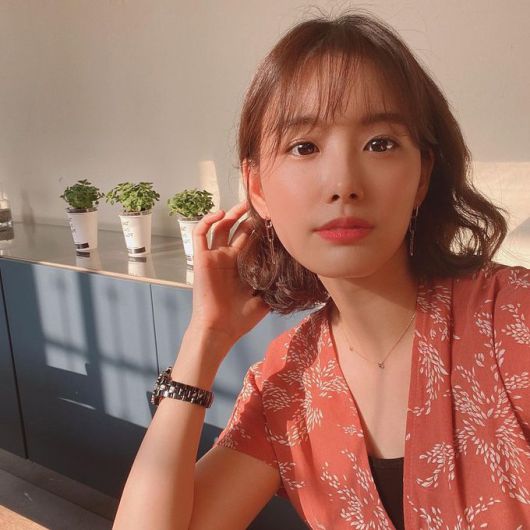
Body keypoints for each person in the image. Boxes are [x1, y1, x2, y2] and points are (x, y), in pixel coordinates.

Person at [113, 12, 530, 530]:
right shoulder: (287, 384)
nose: (343, 183)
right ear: (257, 188)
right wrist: (205, 337)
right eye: (304, 147)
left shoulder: (511, 321)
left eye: (380, 143)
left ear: (422, 175)